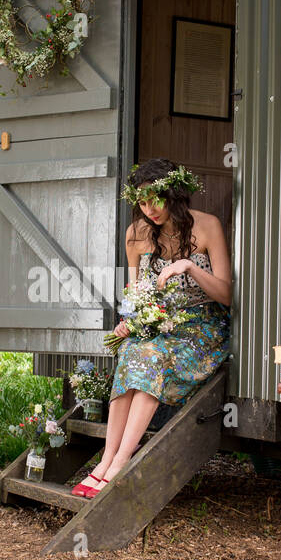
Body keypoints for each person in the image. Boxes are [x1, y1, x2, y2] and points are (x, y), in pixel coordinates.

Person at [71, 158, 232, 498]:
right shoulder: (136, 234)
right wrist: (129, 321)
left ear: (173, 193)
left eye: (155, 199)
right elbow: (135, 295)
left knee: (152, 355)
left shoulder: (207, 226)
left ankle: (120, 463)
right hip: (159, 322)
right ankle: (105, 460)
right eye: (142, 202)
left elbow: (227, 295)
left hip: (202, 327)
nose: (150, 209)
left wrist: (189, 266)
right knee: (132, 351)